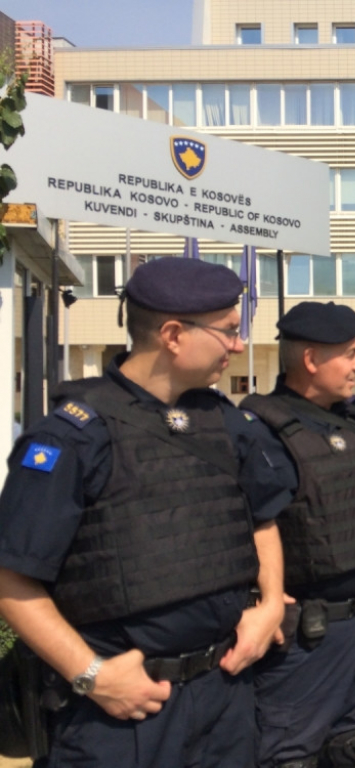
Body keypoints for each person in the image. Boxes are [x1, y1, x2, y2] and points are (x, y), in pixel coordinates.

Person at [0, 257, 295, 768]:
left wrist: (270, 603)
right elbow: (12, 579)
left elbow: (263, 517)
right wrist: (92, 675)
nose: (239, 345)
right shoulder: (73, 435)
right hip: (120, 716)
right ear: (174, 334)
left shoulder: (225, 423)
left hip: (225, 698)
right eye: (228, 331)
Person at [243, 302, 355, 768]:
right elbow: (248, 526)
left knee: (349, 748)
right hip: (300, 641)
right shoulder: (259, 431)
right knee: (289, 757)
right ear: (312, 360)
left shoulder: (352, 421)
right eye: (350, 354)